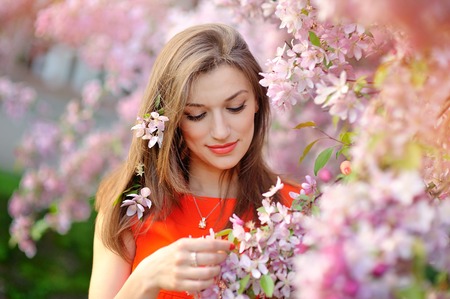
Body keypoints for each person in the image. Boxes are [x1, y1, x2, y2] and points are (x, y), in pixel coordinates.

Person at [89, 23, 298, 298]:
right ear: (172, 120)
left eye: (235, 107)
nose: (221, 131)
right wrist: (146, 279)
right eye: (197, 115)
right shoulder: (131, 206)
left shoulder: (293, 208)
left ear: (257, 102)